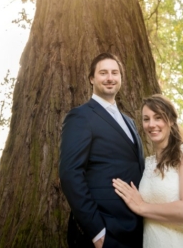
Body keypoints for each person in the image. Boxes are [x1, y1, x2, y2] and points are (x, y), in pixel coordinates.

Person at [59, 52, 144, 248]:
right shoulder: (80, 117)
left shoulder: (130, 122)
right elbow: (69, 173)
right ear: (92, 79)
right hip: (105, 230)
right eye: (103, 73)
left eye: (115, 73)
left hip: (136, 228)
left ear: (120, 78)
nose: (109, 78)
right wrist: (97, 231)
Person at [112, 94, 183, 248]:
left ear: (171, 120)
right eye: (146, 119)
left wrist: (141, 207)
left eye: (158, 117)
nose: (151, 124)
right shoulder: (148, 163)